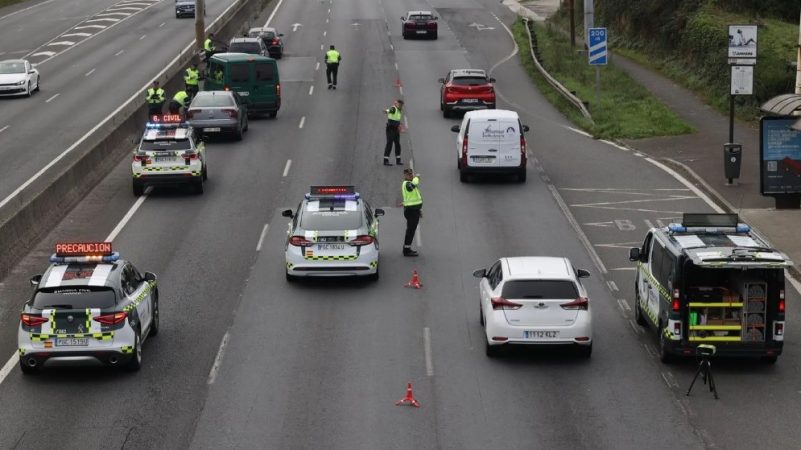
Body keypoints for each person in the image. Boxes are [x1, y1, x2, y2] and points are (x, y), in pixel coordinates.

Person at [400, 168, 422, 257]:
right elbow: (412, 186)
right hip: (411, 211)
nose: (411, 175)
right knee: (410, 231)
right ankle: (406, 250)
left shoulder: (409, 183)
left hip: (414, 210)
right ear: (405, 175)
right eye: (409, 174)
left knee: (411, 230)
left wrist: (418, 210)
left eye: (411, 174)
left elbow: (415, 199)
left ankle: (406, 248)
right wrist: (417, 178)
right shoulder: (407, 184)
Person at [383, 99, 404, 166]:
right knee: (389, 144)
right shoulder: (393, 109)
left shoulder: (399, 110)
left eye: (400, 105)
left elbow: (397, 120)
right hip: (390, 130)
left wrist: (400, 126)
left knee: (397, 144)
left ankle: (398, 160)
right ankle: (385, 161)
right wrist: (386, 111)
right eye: (398, 104)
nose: (399, 105)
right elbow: (390, 111)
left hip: (396, 130)